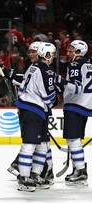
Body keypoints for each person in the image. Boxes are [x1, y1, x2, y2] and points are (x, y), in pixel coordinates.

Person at [6, 41, 55, 185]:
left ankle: (36, 174)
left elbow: (23, 85)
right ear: (46, 54)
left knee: (41, 145)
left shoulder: (33, 67)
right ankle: (25, 177)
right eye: (52, 54)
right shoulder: (45, 70)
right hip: (34, 109)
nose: (53, 57)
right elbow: (47, 96)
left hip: (31, 109)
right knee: (30, 144)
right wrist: (54, 99)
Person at [57, 40, 91, 186]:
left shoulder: (75, 64)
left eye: (71, 50)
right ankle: (78, 169)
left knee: (72, 138)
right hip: (86, 104)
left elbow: (75, 88)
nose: (68, 52)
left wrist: (59, 80)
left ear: (78, 52)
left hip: (75, 104)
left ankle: (81, 171)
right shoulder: (89, 64)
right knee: (76, 139)